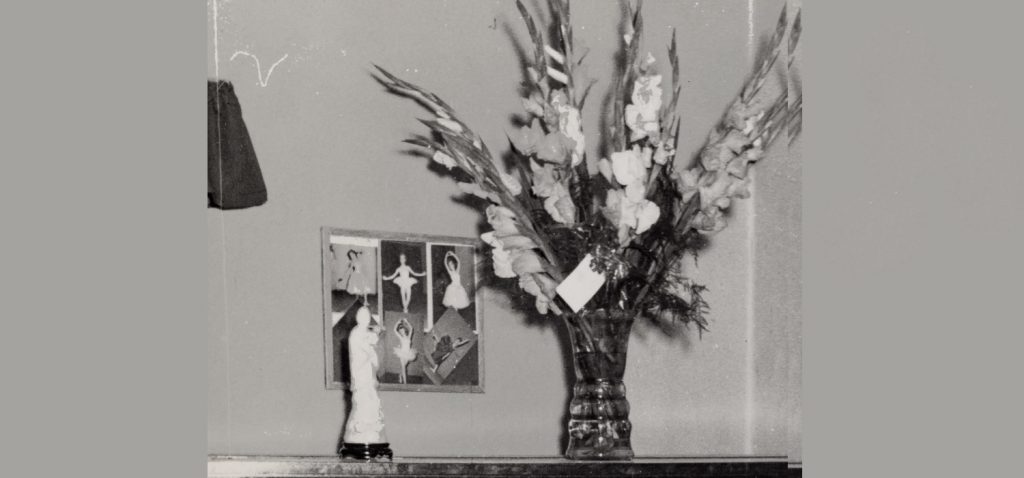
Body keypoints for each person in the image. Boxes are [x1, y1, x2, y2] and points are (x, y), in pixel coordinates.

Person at [342, 306, 388, 444]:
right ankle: (362, 428)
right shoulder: (356, 333)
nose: (366, 320)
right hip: (360, 372)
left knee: (371, 397)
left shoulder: (363, 331)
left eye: (367, 317)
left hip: (367, 372)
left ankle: (370, 426)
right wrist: (373, 340)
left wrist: (376, 335)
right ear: (358, 318)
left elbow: (372, 340)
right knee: (362, 399)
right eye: (363, 317)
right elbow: (365, 348)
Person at [391, 317, 418, 384]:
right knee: (403, 368)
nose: (402, 332)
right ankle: (405, 384)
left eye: (402, 330)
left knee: (404, 367)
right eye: (400, 331)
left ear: (405, 330)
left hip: (408, 353)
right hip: (402, 353)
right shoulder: (401, 337)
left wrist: (407, 321)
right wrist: (397, 322)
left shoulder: (409, 336)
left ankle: (400, 375)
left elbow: (411, 328)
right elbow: (394, 330)